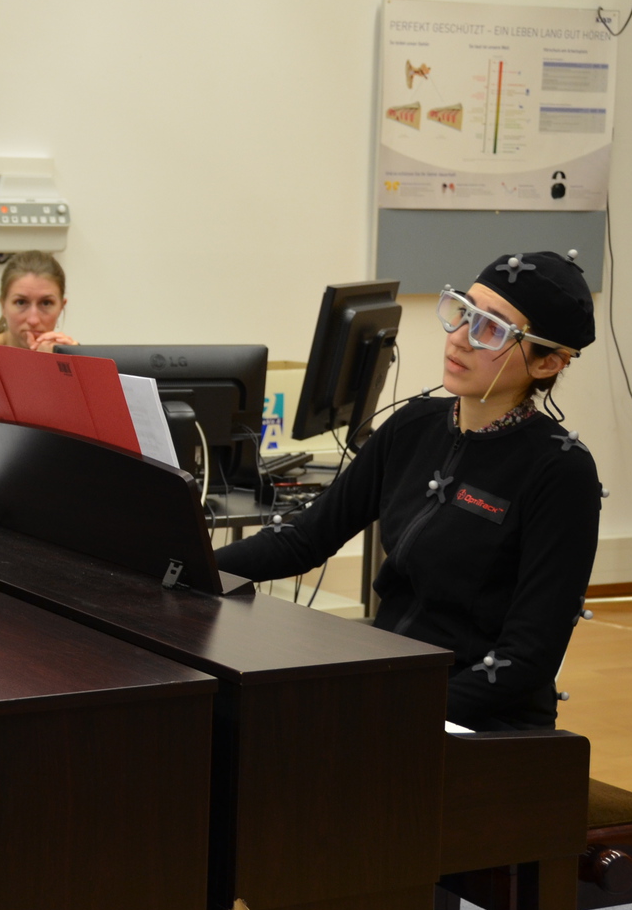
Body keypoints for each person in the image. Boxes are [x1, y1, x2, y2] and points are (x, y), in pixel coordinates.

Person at [214, 251, 601, 731]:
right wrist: (194, 566)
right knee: (225, 708)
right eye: (464, 312)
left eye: (492, 329)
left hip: (478, 717)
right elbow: (303, 540)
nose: (459, 337)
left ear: (547, 363)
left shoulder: (560, 471)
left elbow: (527, 659)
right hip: (392, 677)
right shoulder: (413, 426)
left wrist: (398, 715)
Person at [0, 250, 78, 352]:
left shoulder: (79, 357)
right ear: (3, 306)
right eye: (21, 302)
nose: (33, 320)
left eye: (46, 303)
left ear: (61, 307)